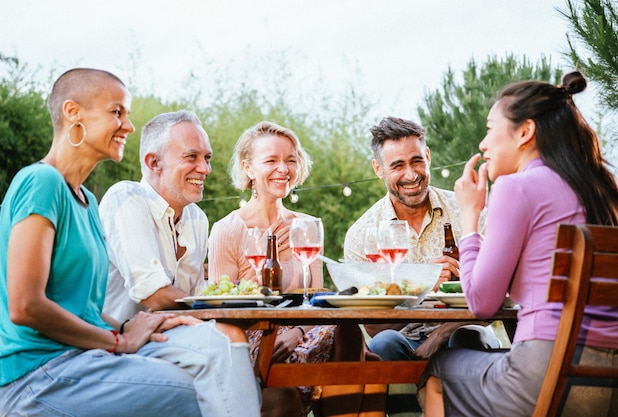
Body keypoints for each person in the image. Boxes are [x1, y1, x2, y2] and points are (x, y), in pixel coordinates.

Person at [0, 68, 261, 417]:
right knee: (196, 391)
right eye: (116, 112)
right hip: (42, 374)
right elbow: (25, 305)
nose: (129, 127)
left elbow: (82, 307)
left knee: (221, 348)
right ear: (73, 113)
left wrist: (124, 326)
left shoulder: (85, 200)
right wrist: (118, 340)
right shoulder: (42, 182)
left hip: (88, 357)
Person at [420, 71, 618, 417]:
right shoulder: (605, 191)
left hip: (547, 370)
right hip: (609, 378)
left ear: (525, 132)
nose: (483, 144)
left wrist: (470, 216)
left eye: (489, 129)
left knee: (441, 368)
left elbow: (481, 302)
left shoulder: (517, 188)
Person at [209, 121, 384, 417]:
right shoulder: (227, 230)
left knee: (350, 330)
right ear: (249, 168)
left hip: (303, 332)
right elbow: (222, 313)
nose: (284, 168)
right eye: (271, 160)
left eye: (290, 160)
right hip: (258, 340)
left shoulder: (307, 225)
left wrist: (298, 330)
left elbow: (313, 298)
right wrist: (276, 330)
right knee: (370, 364)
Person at [344, 116, 498, 415]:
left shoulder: (469, 211)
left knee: (469, 336)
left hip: (462, 327)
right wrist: (422, 283)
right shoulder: (363, 234)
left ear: (428, 157)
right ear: (378, 169)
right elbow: (374, 326)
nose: (411, 174)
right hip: (401, 337)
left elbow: (495, 296)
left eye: (417, 161)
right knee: (385, 344)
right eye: (397, 165)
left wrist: (442, 333)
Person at [100, 110, 211, 322]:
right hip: (115, 343)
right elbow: (155, 295)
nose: (205, 169)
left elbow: (196, 296)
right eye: (191, 157)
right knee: (230, 338)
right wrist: (216, 308)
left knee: (233, 338)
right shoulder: (125, 198)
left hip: (174, 335)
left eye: (207, 158)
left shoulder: (197, 218)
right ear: (154, 163)